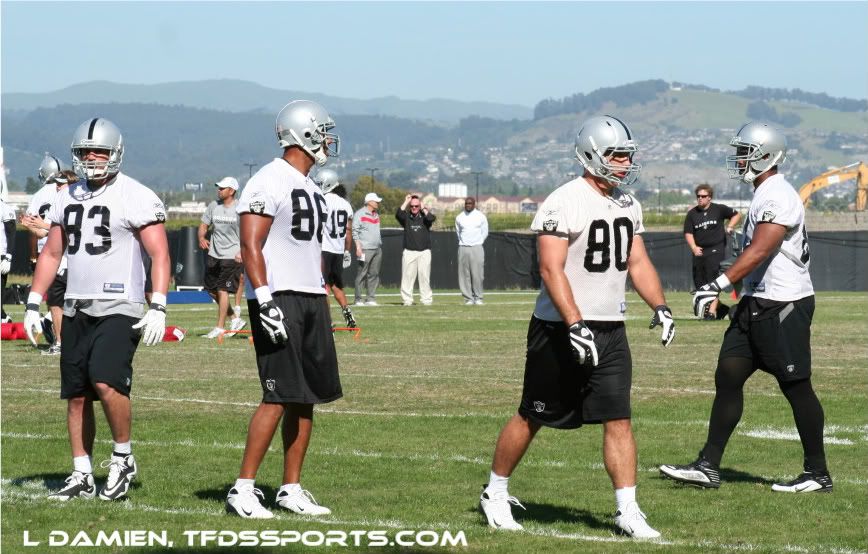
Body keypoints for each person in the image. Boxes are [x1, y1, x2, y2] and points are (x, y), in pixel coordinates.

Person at [479, 115, 676, 539]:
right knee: (533, 414)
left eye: (627, 155)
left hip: (611, 328)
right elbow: (550, 269)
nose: (624, 163)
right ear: (591, 155)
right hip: (560, 328)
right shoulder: (563, 200)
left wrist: (659, 305)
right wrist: (575, 323)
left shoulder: (628, 202)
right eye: (616, 155)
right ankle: (495, 491)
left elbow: (637, 262)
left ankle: (627, 509)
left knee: (619, 418)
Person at [660, 122, 832, 493]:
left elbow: (761, 250)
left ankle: (817, 473)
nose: (739, 159)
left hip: (783, 303)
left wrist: (717, 285)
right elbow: (752, 259)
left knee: (796, 385)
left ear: (765, 155)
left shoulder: (777, 195)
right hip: (757, 302)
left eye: (745, 152)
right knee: (728, 376)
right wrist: (730, 298)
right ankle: (708, 465)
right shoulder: (762, 194)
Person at [23, 117, 170, 502]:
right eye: (86, 152)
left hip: (120, 303)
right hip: (75, 305)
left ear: (115, 153)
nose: (92, 158)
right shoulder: (66, 195)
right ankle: (82, 472)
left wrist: (158, 304)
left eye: (100, 151)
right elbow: (52, 252)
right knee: (76, 393)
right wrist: (34, 301)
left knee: (107, 382)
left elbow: (159, 253)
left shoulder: (135, 194)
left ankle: (122, 457)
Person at [226, 100, 342, 519]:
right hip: (280, 297)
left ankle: (290, 488)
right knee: (276, 395)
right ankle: (243, 488)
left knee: (305, 397)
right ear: (304, 133)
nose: (328, 139)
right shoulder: (267, 180)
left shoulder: (310, 185)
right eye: (323, 131)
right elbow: (249, 245)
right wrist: (265, 298)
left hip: (310, 295)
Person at [22, 157, 76, 354]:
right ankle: (60, 338)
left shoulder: (45, 196)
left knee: (63, 301)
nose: (58, 188)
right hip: (57, 255)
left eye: (61, 185)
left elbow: (58, 229)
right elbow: (47, 231)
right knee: (56, 300)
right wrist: (36, 227)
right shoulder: (69, 198)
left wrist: (34, 252)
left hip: (66, 256)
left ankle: (61, 337)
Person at [683, 183, 741, 320]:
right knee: (700, 285)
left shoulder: (719, 209)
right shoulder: (692, 214)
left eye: (703, 196)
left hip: (716, 249)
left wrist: (730, 226)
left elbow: (736, 214)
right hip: (699, 251)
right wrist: (694, 247)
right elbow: (688, 233)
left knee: (712, 281)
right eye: (698, 196)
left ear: (710, 197)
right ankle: (721, 308)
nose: (700, 199)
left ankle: (711, 312)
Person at [198, 176, 246, 339]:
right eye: (218, 188)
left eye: (222, 188)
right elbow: (204, 225)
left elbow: (247, 232)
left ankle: (220, 328)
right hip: (214, 254)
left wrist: (241, 251)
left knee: (222, 289)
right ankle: (234, 318)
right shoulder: (213, 206)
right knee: (212, 291)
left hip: (232, 255)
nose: (219, 190)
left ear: (231, 191)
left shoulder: (240, 208)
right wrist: (201, 238)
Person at [314, 168, 356, 328]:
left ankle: (327, 322)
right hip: (338, 250)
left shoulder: (322, 201)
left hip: (324, 249)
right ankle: (347, 311)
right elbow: (348, 230)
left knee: (323, 286)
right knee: (336, 284)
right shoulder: (346, 204)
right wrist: (347, 250)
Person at [396, 194, 436, 306]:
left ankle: (426, 300)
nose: (414, 208)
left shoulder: (425, 216)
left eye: (416, 206)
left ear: (420, 206)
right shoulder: (406, 217)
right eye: (412, 206)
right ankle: (407, 300)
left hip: (424, 252)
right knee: (407, 277)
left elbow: (432, 218)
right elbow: (398, 214)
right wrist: (406, 201)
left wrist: (423, 208)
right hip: (409, 251)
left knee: (424, 277)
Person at [455, 196, 488, 305]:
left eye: (470, 203)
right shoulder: (459, 217)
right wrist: (464, 243)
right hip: (463, 248)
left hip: (477, 247)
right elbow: (458, 233)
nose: (468, 205)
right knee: (464, 274)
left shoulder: (481, 216)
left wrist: (478, 242)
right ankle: (468, 298)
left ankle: (478, 297)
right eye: (466, 203)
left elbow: (485, 232)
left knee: (477, 274)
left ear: (474, 205)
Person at [352, 192, 382, 306]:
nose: (378, 202)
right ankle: (358, 299)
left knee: (374, 274)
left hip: (377, 248)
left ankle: (370, 299)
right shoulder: (359, 214)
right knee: (361, 274)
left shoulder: (376, 214)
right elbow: (355, 231)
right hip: (365, 249)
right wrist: (358, 247)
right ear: (369, 202)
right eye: (376, 201)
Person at [1, 198, 16, 323]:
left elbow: (11, 233)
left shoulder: (5, 208)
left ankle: (2, 316)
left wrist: (8, 256)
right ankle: (3, 316)